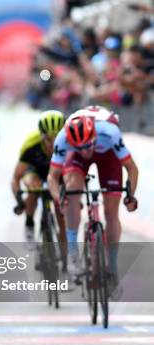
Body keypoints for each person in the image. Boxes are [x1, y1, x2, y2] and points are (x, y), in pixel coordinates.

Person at [47, 105, 139, 295]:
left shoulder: (111, 132)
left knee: (111, 213)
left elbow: (132, 168)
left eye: (87, 145)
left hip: (108, 155)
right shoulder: (64, 138)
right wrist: (59, 198)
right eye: (79, 147)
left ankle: (112, 269)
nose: (85, 150)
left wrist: (130, 195)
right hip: (76, 159)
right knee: (71, 192)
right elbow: (52, 177)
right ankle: (73, 257)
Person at [11, 110, 67, 261]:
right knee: (33, 187)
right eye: (49, 139)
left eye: (58, 138)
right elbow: (16, 177)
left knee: (62, 215)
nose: (53, 143)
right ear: (41, 135)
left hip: (58, 172)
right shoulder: (31, 144)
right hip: (35, 170)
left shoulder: (69, 143)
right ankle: (29, 224)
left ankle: (66, 259)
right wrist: (19, 200)